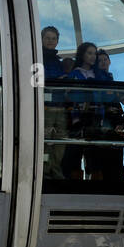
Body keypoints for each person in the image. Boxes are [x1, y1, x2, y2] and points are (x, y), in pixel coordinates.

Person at [63, 42, 98, 180]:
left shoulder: (98, 74)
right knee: (75, 152)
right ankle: (75, 183)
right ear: (82, 54)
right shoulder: (75, 74)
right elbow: (66, 94)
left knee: (93, 153)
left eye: (94, 53)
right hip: (77, 117)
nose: (93, 56)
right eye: (89, 53)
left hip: (94, 117)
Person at [40, 26, 69, 179]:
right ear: (41, 39)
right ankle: (45, 173)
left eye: (54, 38)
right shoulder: (38, 56)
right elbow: (37, 78)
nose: (51, 41)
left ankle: (55, 171)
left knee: (60, 140)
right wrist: (58, 80)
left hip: (58, 104)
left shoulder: (57, 60)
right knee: (45, 139)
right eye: (47, 38)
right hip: (46, 105)